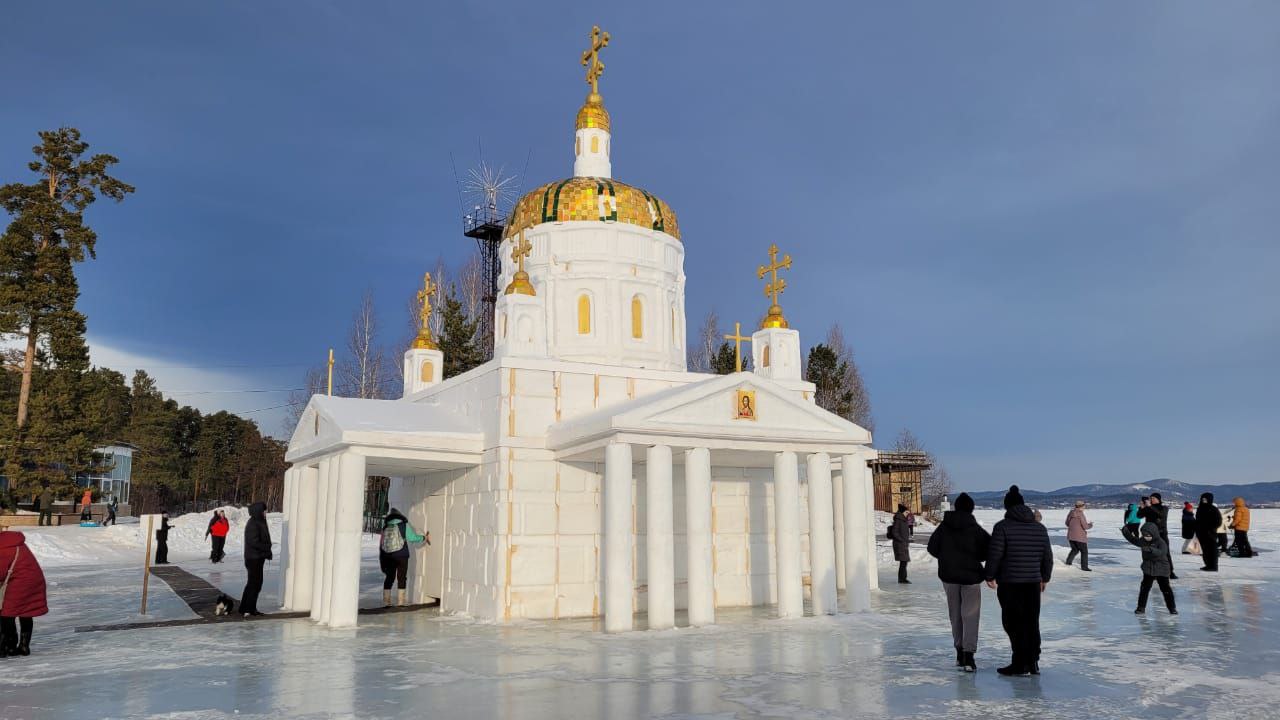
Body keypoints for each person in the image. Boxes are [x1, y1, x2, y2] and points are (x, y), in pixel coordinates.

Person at [985, 485, 1053, 677]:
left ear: (1007, 507)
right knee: (1031, 622)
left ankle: (1020, 663)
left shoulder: (1002, 527)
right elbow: (1047, 556)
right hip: (1032, 583)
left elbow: (995, 554)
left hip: (1010, 583)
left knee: (1013, 623)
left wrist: (989, 575)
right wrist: (1044, 577)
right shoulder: (1039, 528)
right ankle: (1033, 662)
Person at [926, 492, 989, 672]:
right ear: (971, 508)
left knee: (955, 615)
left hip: (949, 576)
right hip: (971, 578)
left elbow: (932, 547)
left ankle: (959, 652)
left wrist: (947, 558)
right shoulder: (974, 528)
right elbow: (988, 549)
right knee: (970, 615)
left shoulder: (944, 527)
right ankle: (969, 656)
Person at [0, 530, 49, 658]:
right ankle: (24, 646)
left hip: (20, 582)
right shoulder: (14, 542)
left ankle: (6, 647)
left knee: (6, 613)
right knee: (26, 612)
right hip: (34, 579)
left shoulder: (3, 548)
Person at [1121, 520, 1177, 615]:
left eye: (1148, 536)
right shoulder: (1143, 540)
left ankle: (1172, 608)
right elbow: (1134, 540)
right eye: (1144, 535)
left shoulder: (1160, 542)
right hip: (1148, 569)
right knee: (1144, 589)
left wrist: (1151, 549)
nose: (1146, 537)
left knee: (1166, 589)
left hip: (1162, 569)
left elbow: (1162, 552)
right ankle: (1141, 608)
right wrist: (1126, 532)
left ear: (1153, 534)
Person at [379, 508, 430, 607]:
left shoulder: (385, 526)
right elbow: (412, 538)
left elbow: (382, 543)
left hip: (389, 556)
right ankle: (401, 602)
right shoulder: (404, 524)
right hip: (402, 555)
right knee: (401, 578)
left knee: (389, 577)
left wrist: (383, 557)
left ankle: (386, 601)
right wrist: (424, 537)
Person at [240, 502, 273, 617]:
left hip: (257, 557)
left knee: (254, 583)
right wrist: (266, 547)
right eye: (264, 511)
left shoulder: (259, 521)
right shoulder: (253, 523)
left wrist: (267, 551)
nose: (265, 513)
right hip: (253, 558)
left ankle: (247, 607)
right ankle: (248, 609)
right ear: (259, 511)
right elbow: (253, 541)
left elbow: (263, 538)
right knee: (254, 584)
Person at [1143, 493, 1176, 580]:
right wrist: (1142, 507)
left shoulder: (1164, 508)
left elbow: (1161, 515)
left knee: (1165, 553)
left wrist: (1150, 507)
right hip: (1150, 535)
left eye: (1153, 498)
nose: (1152, 500)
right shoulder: (1149, 508)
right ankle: (1153, 572)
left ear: (1158, 499)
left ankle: (1170, 572)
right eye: (1151, 498)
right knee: (1151, 554)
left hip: (1161, 534)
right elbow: (1139, 515)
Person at [1194, 493, 1222, 572]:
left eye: (1205, 499)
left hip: (1210, 534)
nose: (1204, 500)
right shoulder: (1200, 508)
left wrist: (1210, 528)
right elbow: (1197, 520)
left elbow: (1218, 521)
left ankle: (1213, 566)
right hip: (1201, 533)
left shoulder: (1213, 509)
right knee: (1205, 550)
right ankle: (1208, 565)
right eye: (1203, 499)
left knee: (1212, 550)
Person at [1064, 501, 1093, 571]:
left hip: (1071, 536)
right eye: (1084, 506)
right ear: (1081, 506)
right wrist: (1090, 525)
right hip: (1080, 537)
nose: (1085, 507)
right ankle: (1084, 567)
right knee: (1084, 552)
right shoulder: (1080, 514)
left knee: (1075, 549)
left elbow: (1067, 523)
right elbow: (1085, 526)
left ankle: (1068, 562)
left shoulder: (1071, 513)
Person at [889, 504, 912, 584]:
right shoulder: (898, 520)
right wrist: (902, 540)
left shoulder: (903, 520)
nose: (907, 513)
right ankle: (902, 579)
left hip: (903, 544)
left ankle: (902, 578)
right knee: (903, 561)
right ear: (902, 512)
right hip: (899, 544)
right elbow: (894, 532)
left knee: (904, 561)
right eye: (906, 512)